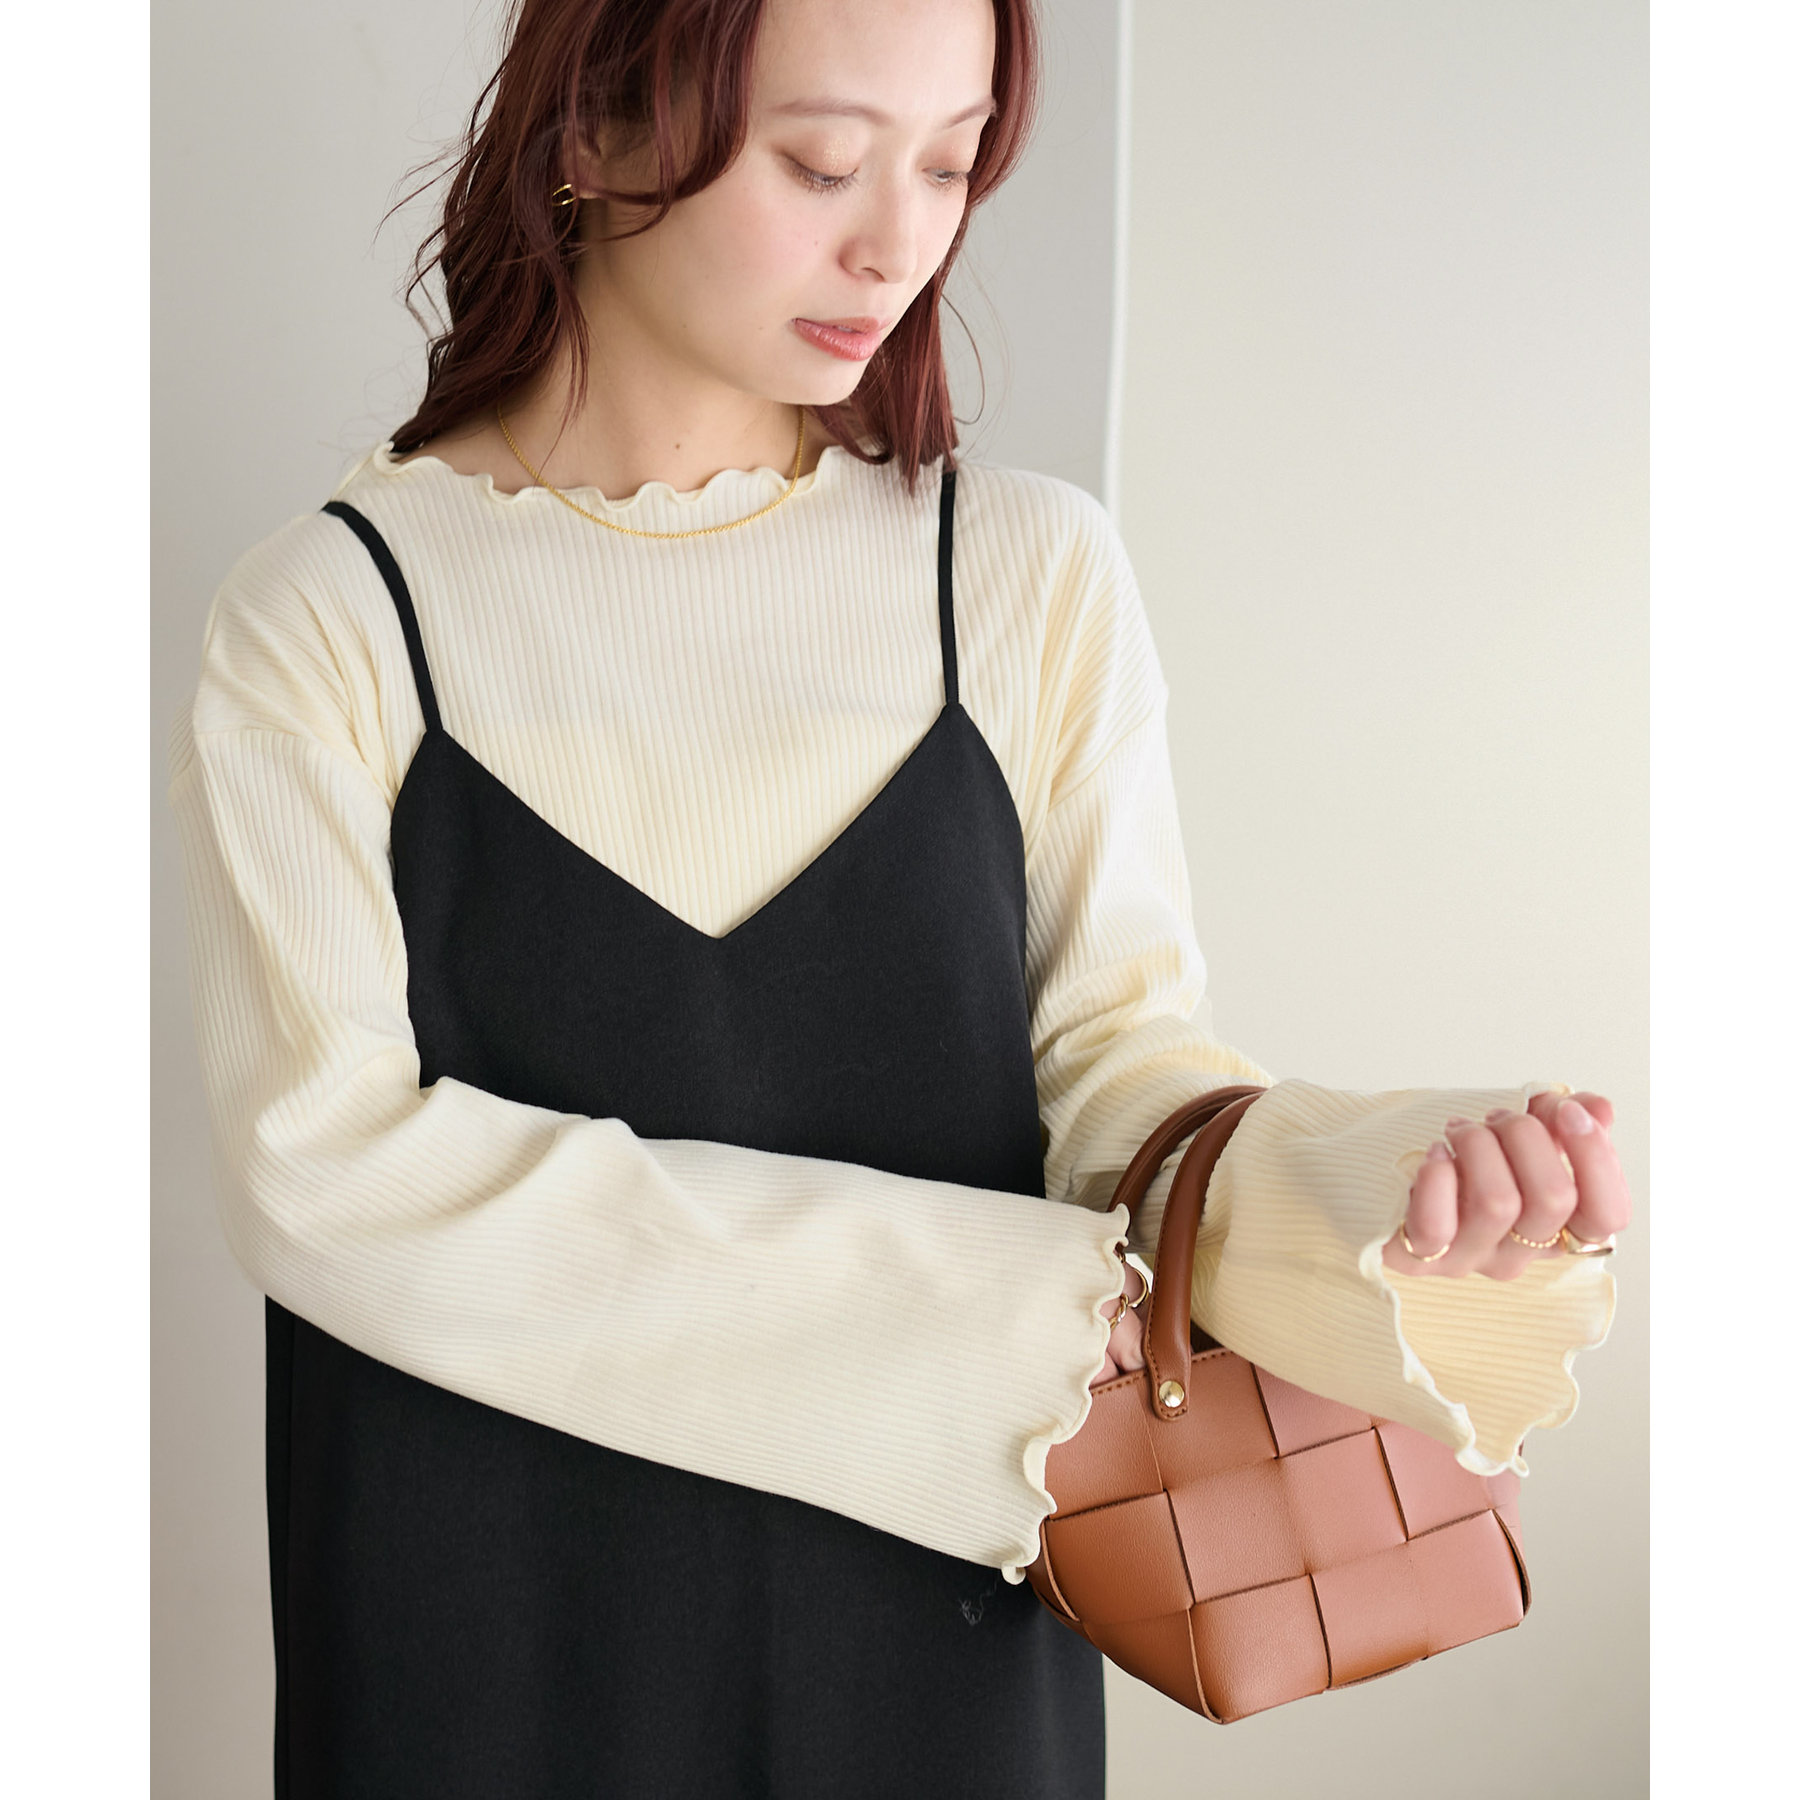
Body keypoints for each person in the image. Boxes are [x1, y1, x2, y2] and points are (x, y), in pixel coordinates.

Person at [167, 0, 1631, 1794]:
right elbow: (323, 1172)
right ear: (593, 128)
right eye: (822, 162)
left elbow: (1120, 1080)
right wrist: (1001, 1326)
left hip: (939, 1660)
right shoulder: (332, 618)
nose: (898, 243)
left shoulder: (1023, 573)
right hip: (485, 1652)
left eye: (949, 166)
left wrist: (1380, 1188)